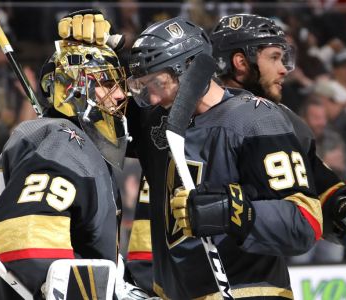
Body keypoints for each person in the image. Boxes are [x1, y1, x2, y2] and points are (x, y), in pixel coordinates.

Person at [59, 14, 322, 299]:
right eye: (145, 88)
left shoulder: (257, 119)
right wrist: (81, 45)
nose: (154, 98)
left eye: (158, 83)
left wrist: (232, 211)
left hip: (250, 291)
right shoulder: (154, 118)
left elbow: (304, 222)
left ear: (191, 70)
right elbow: (89, 115)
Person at [0, 40, 131, 299]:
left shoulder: (59, 138)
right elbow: (27, 249)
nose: (121, 94)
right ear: (74, 90)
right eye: (107, 84)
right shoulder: (63, 142)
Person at [209, 13, 346, 250]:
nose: (284, 70)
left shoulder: (285, 118)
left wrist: (344, 213)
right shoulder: (194, 114)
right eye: (274, 58)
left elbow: (316, 185)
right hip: (193, 273)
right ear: (241, 62)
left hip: (253, 275)